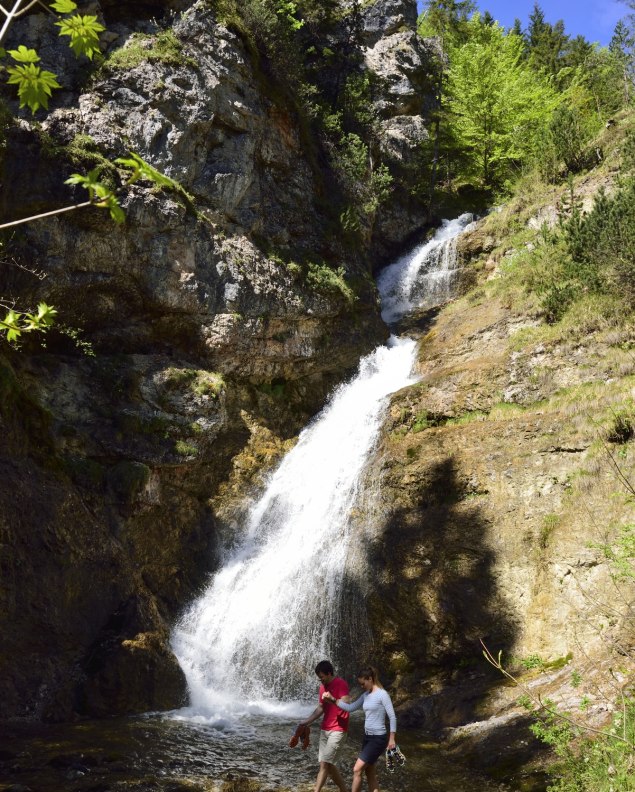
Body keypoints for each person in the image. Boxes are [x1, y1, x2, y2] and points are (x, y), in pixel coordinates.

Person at [322, 666, 396, 792]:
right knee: (369, 772)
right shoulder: (365, 695)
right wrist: (333, 700)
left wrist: (392, 739)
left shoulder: (383, 695)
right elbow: (350, 708)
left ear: (370, 679)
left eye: (363, 683)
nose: (362, 686)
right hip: (367, 737)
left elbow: (392, 717)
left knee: (357, 769)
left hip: (378, 739)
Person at [296, 660, 350, 792]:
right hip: (325, 729)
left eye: (322, 677)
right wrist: (306, 721)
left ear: (329, 673)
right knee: (328, 766)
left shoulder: (341, 684)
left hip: (338, 729)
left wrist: (332, 699)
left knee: (325, 764)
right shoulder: (322, 688)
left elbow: (347, 704)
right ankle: (344, 790)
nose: (321, 680)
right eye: (319, 678)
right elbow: (320, 708)